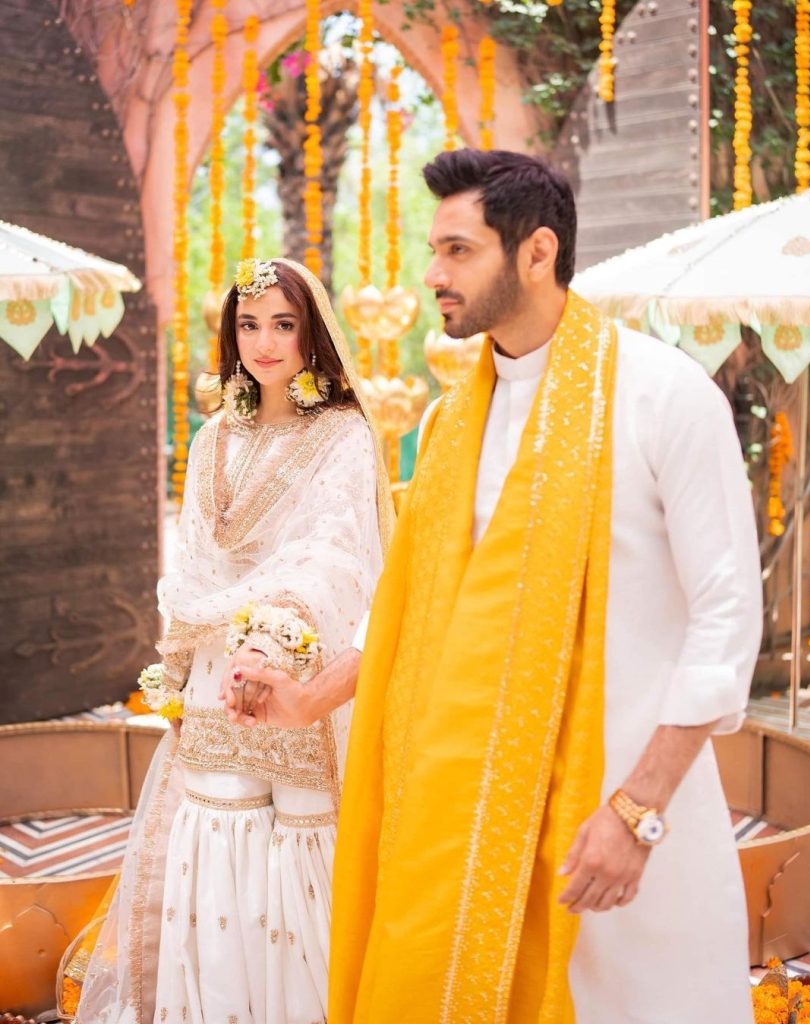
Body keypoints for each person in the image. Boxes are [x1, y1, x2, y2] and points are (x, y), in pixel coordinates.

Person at [228, 151, 762, 1024]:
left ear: (538, 252)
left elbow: (727, 616)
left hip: (622, 821)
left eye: (458, 250)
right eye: (434, 251)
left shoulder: (664, 398)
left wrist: (637, 813)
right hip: (468, 824)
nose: (433, 275)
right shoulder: (450, 421)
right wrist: (307, 699)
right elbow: (405, 605)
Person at [74, 258, 392, 1024]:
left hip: (295, 670)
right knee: (213, 829)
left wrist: (270, 645)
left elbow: (336, 554)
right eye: (249, 325)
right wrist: (185, 662)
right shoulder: (217, 435)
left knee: (300, 841)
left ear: (311, 331)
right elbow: (193, 560)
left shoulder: (342, 435)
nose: (265, 342)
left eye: (283, 324)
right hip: (219, 668)